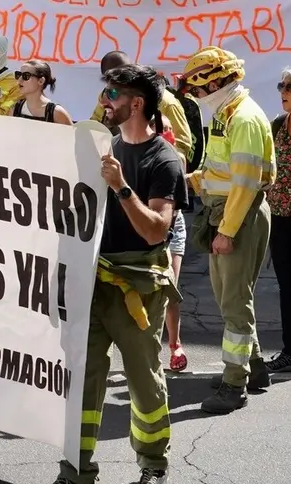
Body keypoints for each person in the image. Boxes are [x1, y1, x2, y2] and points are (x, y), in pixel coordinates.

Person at [55, 64, 184, 484]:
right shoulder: (103, 146)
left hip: (137, 287)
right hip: (94, 281)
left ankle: (153, 463)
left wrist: (123, 188)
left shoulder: (163, 158)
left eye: (113, 95)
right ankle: (76, 469)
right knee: (83, 377)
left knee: (142, 379)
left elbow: (155, 230)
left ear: (137, 103)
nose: (105, 102)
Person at [180, 47, 275, 414]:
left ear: (216, 82)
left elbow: (245, 184)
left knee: (234, 301)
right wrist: (191, 179)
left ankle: (234, 384)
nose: (196, 95)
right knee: (230, 298)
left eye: (199, 88)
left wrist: (228, 231)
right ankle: (255, 368)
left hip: (240, 215)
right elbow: (220, 170)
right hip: (226, 212)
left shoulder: (244, 118)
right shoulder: (226, 113)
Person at [93, 51, 194, 371]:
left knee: (168, 291)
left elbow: (183, 149)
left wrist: (144, 175)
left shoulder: (165, 108)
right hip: (118, 236)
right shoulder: (112, 116)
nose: (106, 96)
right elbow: (95, 132)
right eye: (105, 86)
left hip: (161, 214)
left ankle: (173, 345)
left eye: (113, 88)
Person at [266, 66, 291, 374]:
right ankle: (290, 352)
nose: (283, 91)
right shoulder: (277, 126)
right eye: (281, 85)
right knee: (288, 288)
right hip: (280, 219)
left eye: (290, 86)